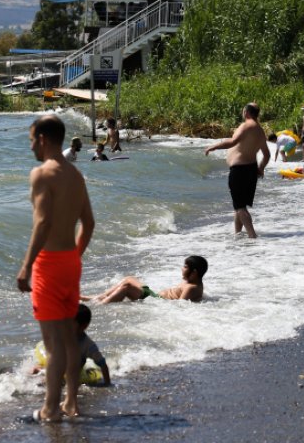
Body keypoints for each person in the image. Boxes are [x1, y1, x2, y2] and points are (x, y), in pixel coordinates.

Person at [17, 114, 95, 422]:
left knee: (53, 342)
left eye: (31, 140)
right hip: (70, 262)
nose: (31, 146)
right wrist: (75, 255)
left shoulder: (41, 174)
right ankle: (70, 403)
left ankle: (50, 408)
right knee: (67, 338)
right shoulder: (76, 175)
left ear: (43, 139)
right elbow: (89, 223)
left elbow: (43, 222)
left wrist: (26, 266)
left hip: (48, 264)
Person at [205, 103, 270, 239]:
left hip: (240, 170)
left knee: (240, 207)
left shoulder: (246, 125)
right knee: (239, 206)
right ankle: (238, 235)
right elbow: (267, 154)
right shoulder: (259, 130)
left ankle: (252, 236)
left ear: (246, 112)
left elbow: (233, 142)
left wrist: (214, 146)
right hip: (251, 169)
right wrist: (260, 169)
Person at [32, 304, 111, 387]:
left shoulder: (88, 346)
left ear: (83, 326)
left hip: (72, 370)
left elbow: (103, 364)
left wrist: (107, 383)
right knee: (36, 371)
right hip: (57, 362)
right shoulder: (62, 332)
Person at [81, 256, 207, 304]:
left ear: (194, 272)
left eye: (185, 267)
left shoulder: (192, 288)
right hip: (155, 296)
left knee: (127, 287)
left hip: (157, 302)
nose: (182, 269)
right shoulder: (192, 283)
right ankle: (98, 297)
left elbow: (181, 305)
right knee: (129, 279)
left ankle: (101, 304)